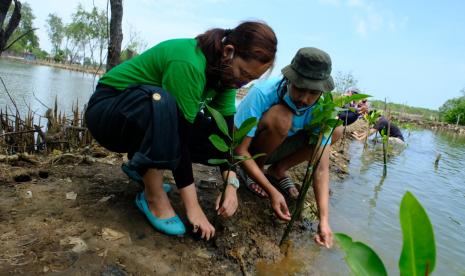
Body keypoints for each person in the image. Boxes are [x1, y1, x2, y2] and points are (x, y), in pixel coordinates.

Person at [85, 21, 277, 240]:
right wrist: (193, 207)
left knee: (212, 138)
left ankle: (140, 166)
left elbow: (224, 138)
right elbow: (179, 136)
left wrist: (231, 184)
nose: (243, 83)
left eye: (251, 79)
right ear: (229, 52)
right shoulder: (189, 62)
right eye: (243, 73)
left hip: (144, 116)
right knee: (162, 103)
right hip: (108, 113)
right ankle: (153, 196)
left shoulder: (225, 77)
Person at [234, 47, 335, 248]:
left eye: (313, 92)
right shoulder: (263, 92)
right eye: (299, 88)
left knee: (336, 129)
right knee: (282, 117)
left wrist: (324, 220)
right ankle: (253, 173)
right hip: (250, 150)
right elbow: (238, 149)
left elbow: (321, 168)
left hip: (279, 148)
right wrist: (272, 191)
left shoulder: (322, 109)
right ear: (289, 79)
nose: (304, 99)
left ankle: (278, 170)